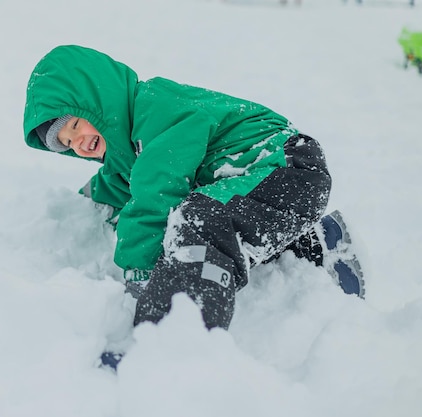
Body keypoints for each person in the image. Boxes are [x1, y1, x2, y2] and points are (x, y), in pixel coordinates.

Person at [23, 45, 364, 340]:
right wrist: (77, 205)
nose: (78, 142)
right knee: (218, 219)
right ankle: (316, 248)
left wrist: (141, 275)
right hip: (268, 185)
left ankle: (171, 337)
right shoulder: (126, 159)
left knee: (196, 220)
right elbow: (112, 188)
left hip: (282, 164)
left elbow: (154, 193)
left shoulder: (153, 108)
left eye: (75, 124)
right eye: (67, 143)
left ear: (97, 98)